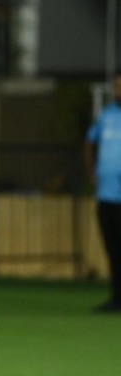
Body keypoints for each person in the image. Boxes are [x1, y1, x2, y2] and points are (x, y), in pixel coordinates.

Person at [84, 73, 121, 314]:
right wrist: (92, 172)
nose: (118, 90)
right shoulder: (107, 115)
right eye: (116, 85)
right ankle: (116, 297)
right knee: (113, 249)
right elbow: (89, 142)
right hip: (107, 196)